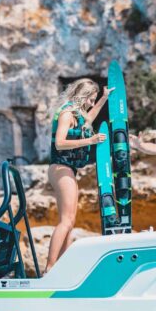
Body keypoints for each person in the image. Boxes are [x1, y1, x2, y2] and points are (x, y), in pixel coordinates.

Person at [46, 78, 113, 274]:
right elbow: (60, 143)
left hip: (68, 169)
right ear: (82, 96)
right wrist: (91, 141)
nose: (91, 103)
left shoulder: (78, 115)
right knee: (66, 221)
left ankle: (61, 269)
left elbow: (89, 119)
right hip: (60, 167)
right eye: (90, 99)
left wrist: (103, 98)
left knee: (69, 222)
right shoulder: (67, 113)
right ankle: (49, 268)